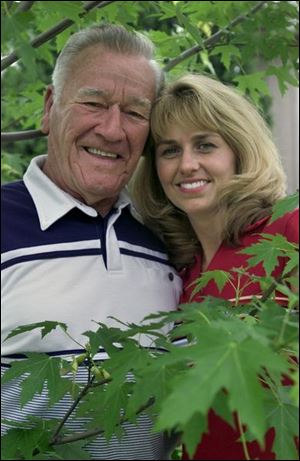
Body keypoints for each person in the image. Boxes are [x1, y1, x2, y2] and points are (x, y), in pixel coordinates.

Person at [1, 24, 182, 460]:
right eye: (93, 103)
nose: (112, 130)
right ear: (50, 107)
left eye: (136, 113)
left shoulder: (170, 238)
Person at [131, 73, 299, 460]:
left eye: (205, 145)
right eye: (169, 150)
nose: (187, 165)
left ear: (239, 150)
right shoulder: (179, 271)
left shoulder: (287, 232)